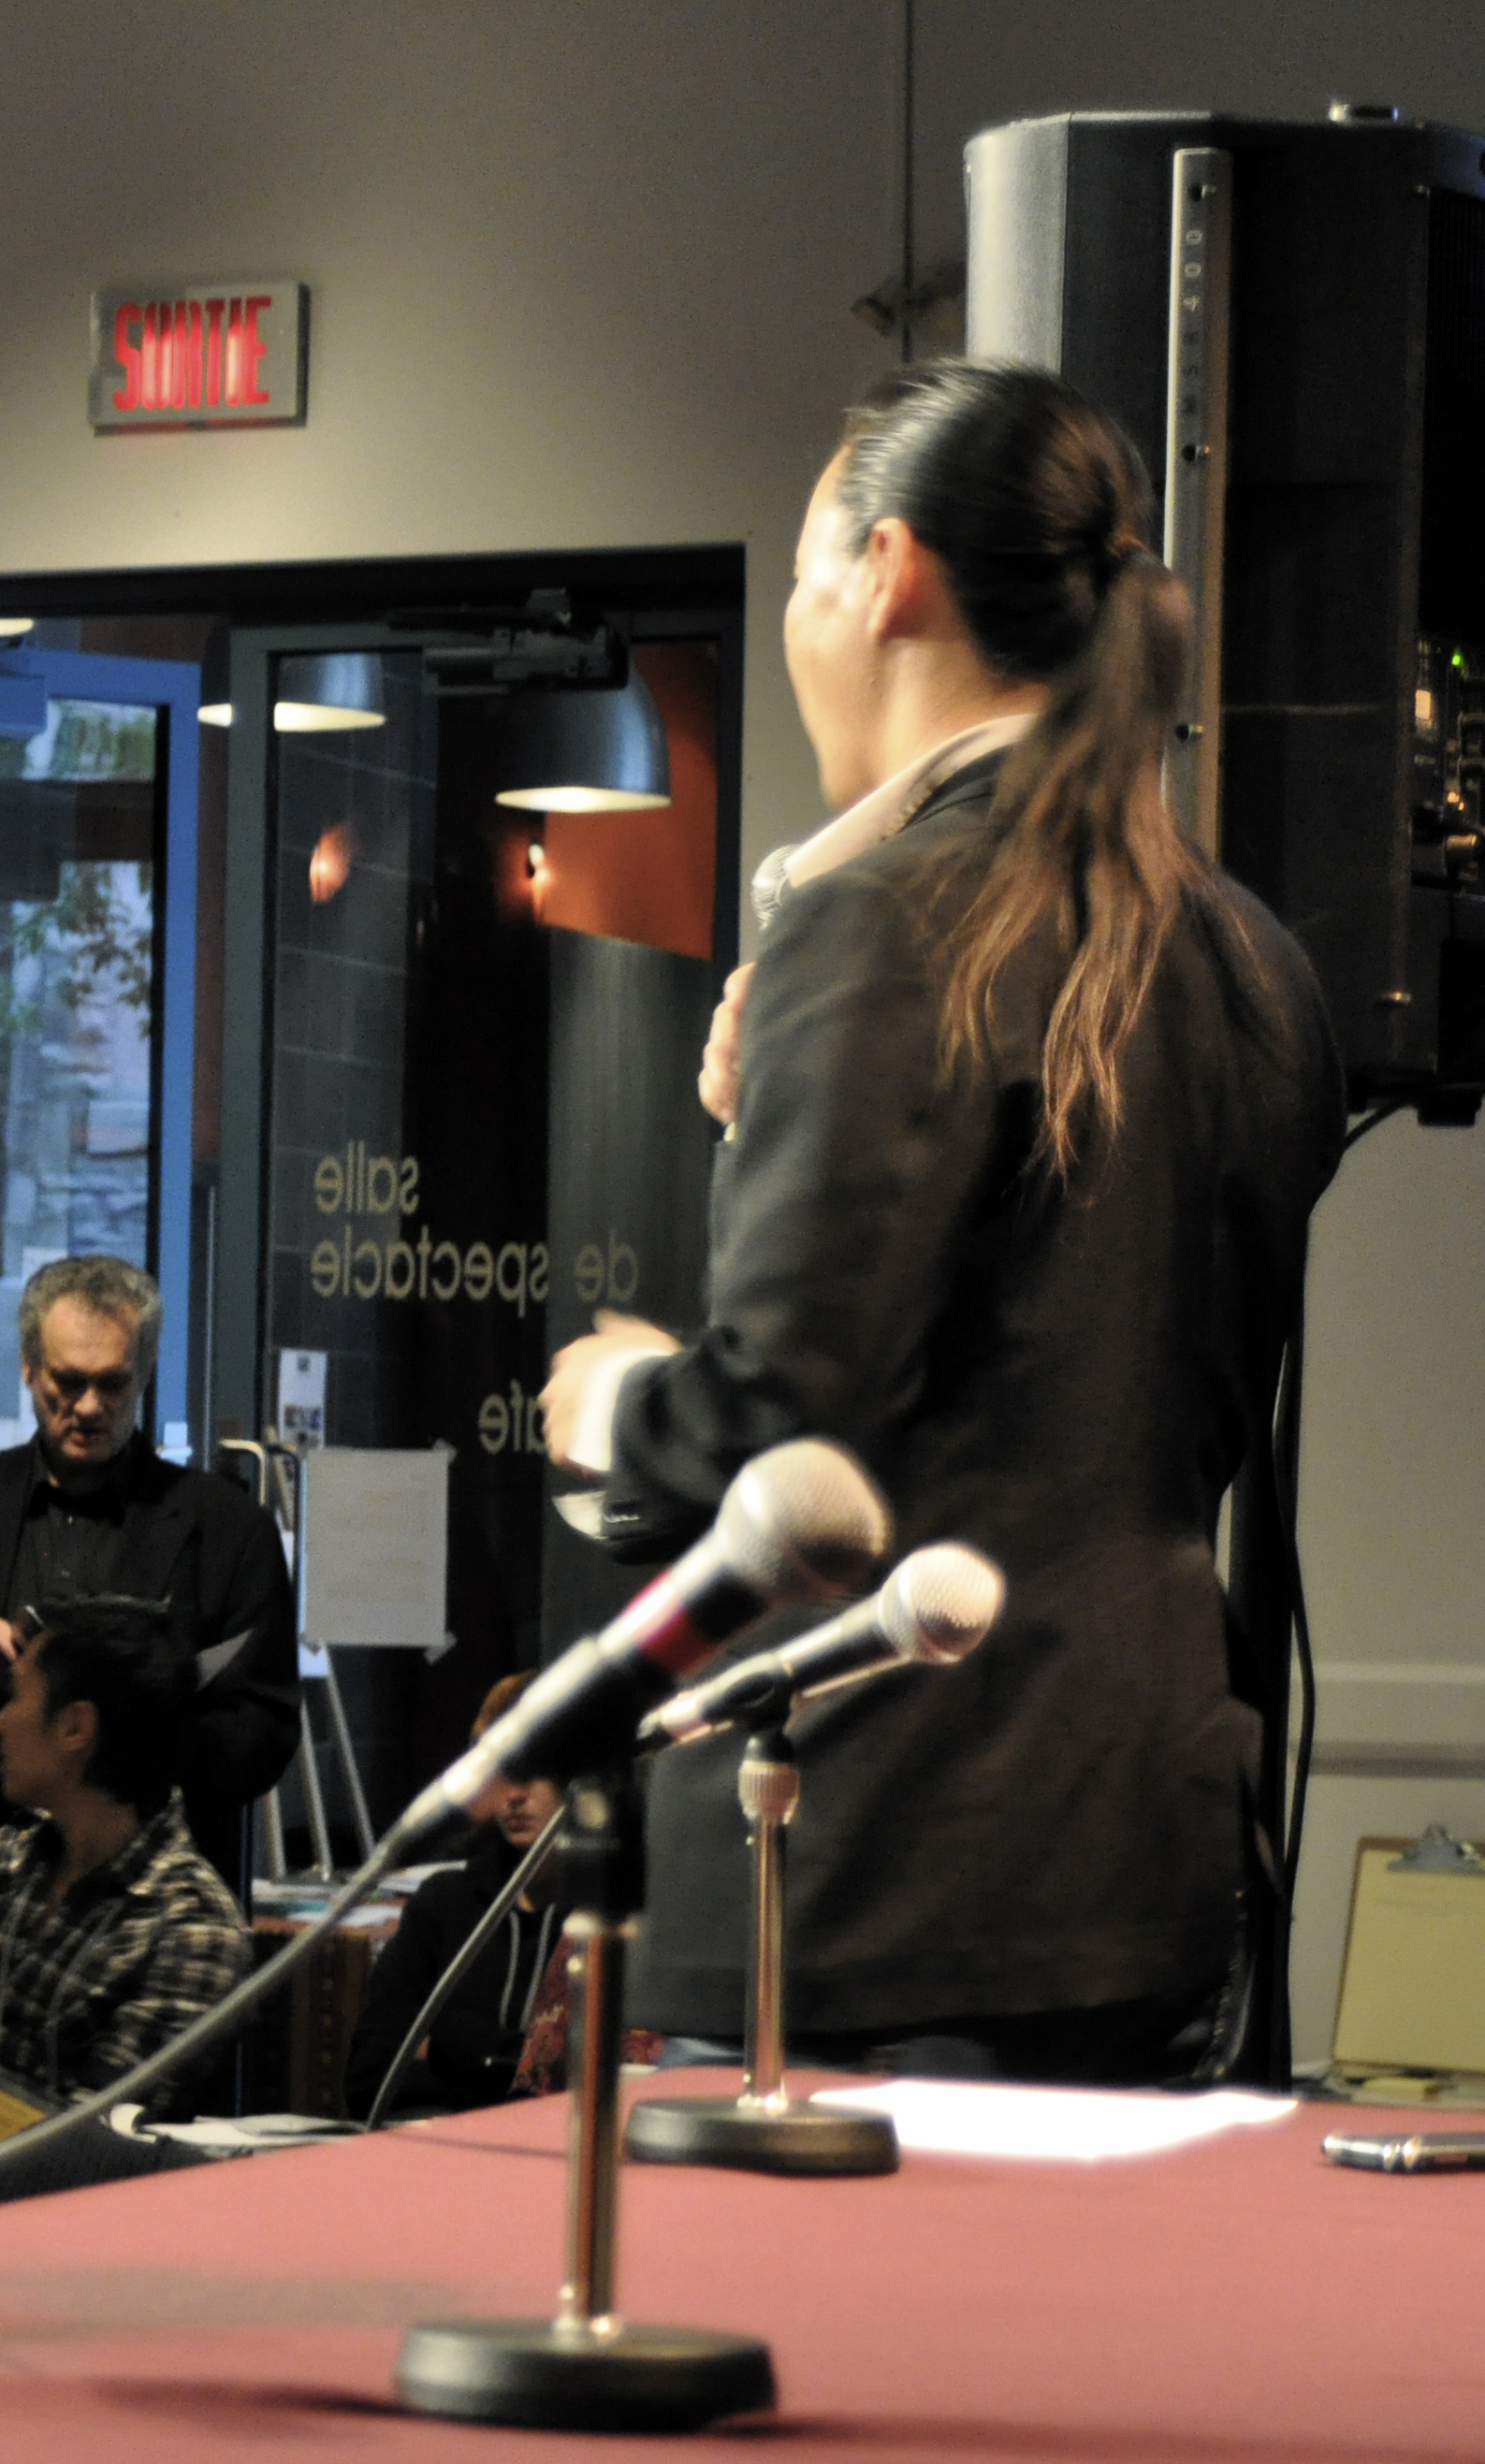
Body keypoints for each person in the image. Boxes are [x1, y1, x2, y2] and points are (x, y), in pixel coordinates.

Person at [543, 362, 1343, 2084]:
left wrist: (616, 1402)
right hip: (1149, 1863)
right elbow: (1057, 1357)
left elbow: (782, 1431)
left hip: (872, 1871)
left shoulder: (886, 924)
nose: (793, 619)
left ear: (885, 573)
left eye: (800, 572)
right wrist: (786, 1116)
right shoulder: (1252, 958)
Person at [0, 1255, 300, 1944]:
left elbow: (265, 1729)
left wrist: (130, 1738)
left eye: (113, 1383)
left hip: (148, 1913)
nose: (88, 1407)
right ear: (27, 1368)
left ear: (147, 1371)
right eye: (67, 1382)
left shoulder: (227, 1529)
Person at [0, 1598, 249, 2149]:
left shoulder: (189, 1929)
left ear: (76, 1727)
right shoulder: (7, 1858)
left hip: (43, 2202)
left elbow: (82, 2148)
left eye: (16, 1696)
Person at [347, 1686, 565, 2118]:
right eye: (501, 1775)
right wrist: (511, 2060)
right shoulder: (444, 1903)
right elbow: (369, 2078)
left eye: (533, 1772)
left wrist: (448, 2043)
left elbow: (577, 2078)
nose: (513, 1795)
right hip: (435, 2139)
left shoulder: (611, 1916)